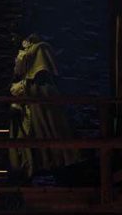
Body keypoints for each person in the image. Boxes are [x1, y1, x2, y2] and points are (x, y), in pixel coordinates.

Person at [8, 33, 77, 182]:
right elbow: (22, 73)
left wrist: (23, 87)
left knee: (46, 135)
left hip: (39, 105)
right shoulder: (25, 51)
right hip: (25, 106)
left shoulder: (40, 49)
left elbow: (40, 82)